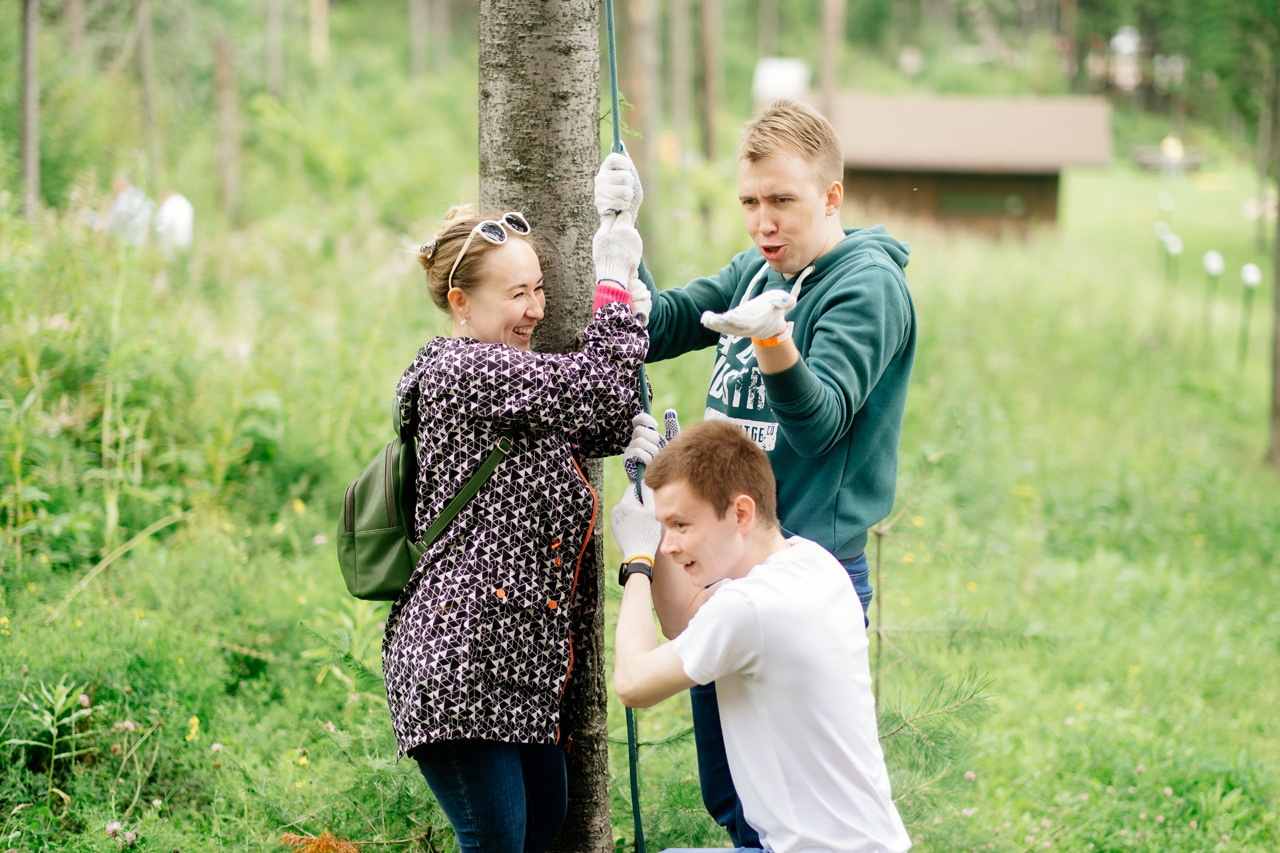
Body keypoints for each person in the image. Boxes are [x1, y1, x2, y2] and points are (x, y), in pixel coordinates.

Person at [597, 99, 916, 846]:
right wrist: (622, 240)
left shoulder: (864, 286)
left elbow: (821, 418)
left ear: (831, 197)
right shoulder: (757, 269)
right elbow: (664, 322)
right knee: (733, 790)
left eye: (782, 201)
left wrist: (774, 338)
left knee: (774, 798)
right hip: (724, 567)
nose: (762, 222)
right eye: (749, 202)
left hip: (802, 572)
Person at [382, 203, 649, 853]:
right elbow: (598, 388)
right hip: (461, 663)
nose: (535, 309)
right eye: (516, 293)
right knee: (498, 839)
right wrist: (613, 290)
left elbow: (607, 413)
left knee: (545, 822)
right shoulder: (458, 373)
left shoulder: (522, 386)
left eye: (539, 288)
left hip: (525, 677)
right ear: (460, 302)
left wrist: (636, 311)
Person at [610, 420, 911, 853]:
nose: (670, 544)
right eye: (665, 528)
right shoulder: (813, 563)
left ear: (741, 513)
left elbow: (633, 684)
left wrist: (638, 560)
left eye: (681, 525)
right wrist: (666, 514)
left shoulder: (747, 609)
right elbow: (685, 622)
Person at [106, 173, 154, 246]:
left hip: (125, 242)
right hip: (142, 243)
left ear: (123, 183)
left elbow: (116, 222)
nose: (113, 187)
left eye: (115, 184)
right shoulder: (143, 196)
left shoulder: (123, 197)